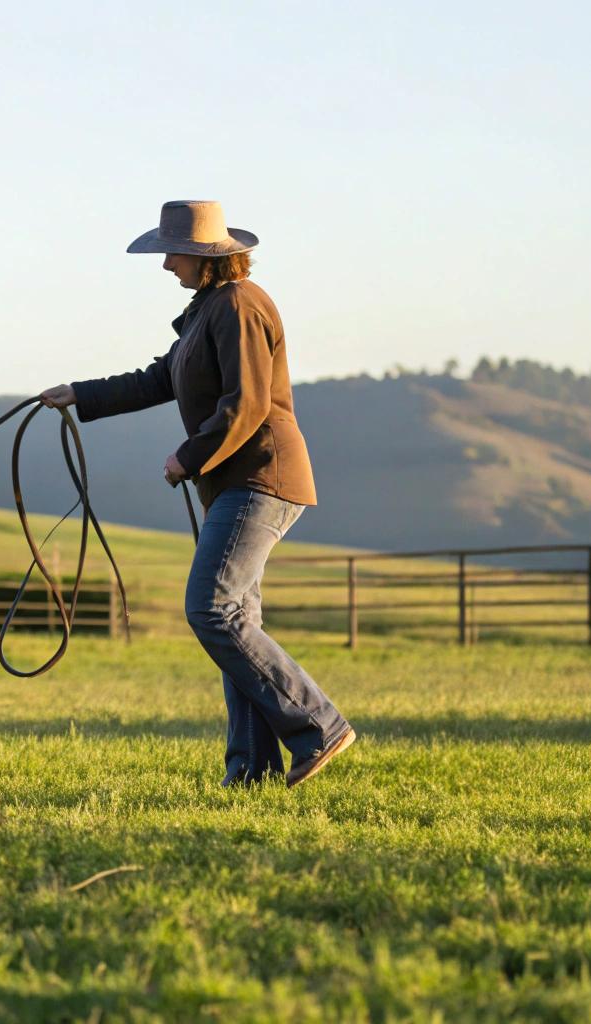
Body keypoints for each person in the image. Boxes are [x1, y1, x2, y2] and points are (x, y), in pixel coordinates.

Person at [40, 200, 355, 788]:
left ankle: (319, 725)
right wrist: (80, 393)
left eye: (174, 255)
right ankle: (252, 771)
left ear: (207, 257)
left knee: (212, 610)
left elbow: (248, 403)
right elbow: (160, 379)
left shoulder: (239, 305)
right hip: (236, 482)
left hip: (261, 476)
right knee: (235, 618)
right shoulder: (209, 308)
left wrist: (188, 456)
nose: (167, 266)